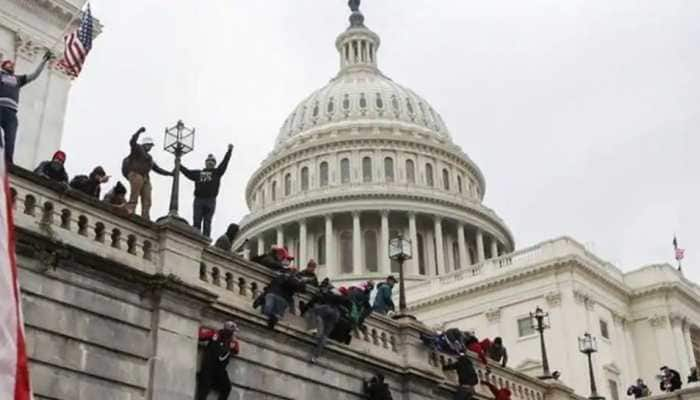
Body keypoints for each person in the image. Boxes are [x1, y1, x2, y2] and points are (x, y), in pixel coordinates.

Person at [0, 51, 51, 165]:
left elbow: (34, 75)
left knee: (11, 138)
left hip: (11, 113)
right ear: (3, 66)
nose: (12, 65)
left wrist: (43, 61)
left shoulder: (18, 79)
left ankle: (8, 161)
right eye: (9, 64)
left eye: (13, 64)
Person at [180, 144, 233, 237]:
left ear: (215, 164)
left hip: (210, 200)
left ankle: (205, 240)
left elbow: (225, 163)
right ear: (205, 163)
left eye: (212, 161)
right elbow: (187, 172)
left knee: (207, 223)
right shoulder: (199, 173)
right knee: (197, 221)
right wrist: (179, 165)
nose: (210, 163)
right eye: (208, 161)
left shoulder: (217, 172)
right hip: (199, 200)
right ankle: (195, 238)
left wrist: (229, 152)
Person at [122, 127, 172, 220]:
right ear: (145, 144)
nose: (150, 147)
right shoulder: (137, 149)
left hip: (145, 178)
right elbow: (132, 142)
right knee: (135, 194)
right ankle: (131, 209)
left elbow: (157, 169)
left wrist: (170, 173)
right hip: (136, 174)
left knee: (147, 199)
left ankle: (145, 216)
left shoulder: (149, 158)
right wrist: (139, 131)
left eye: (151, 146)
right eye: (149, 145)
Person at [196, 321, 240, 400]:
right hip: (208, 369)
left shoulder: (232, 342)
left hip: (220, 372)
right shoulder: (214, 334)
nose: (233, 334)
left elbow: (236, 350)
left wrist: (234, 341)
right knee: (203, 392)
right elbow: (200, 336)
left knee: (227, 388)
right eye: (233, 331)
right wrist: (200, 327)